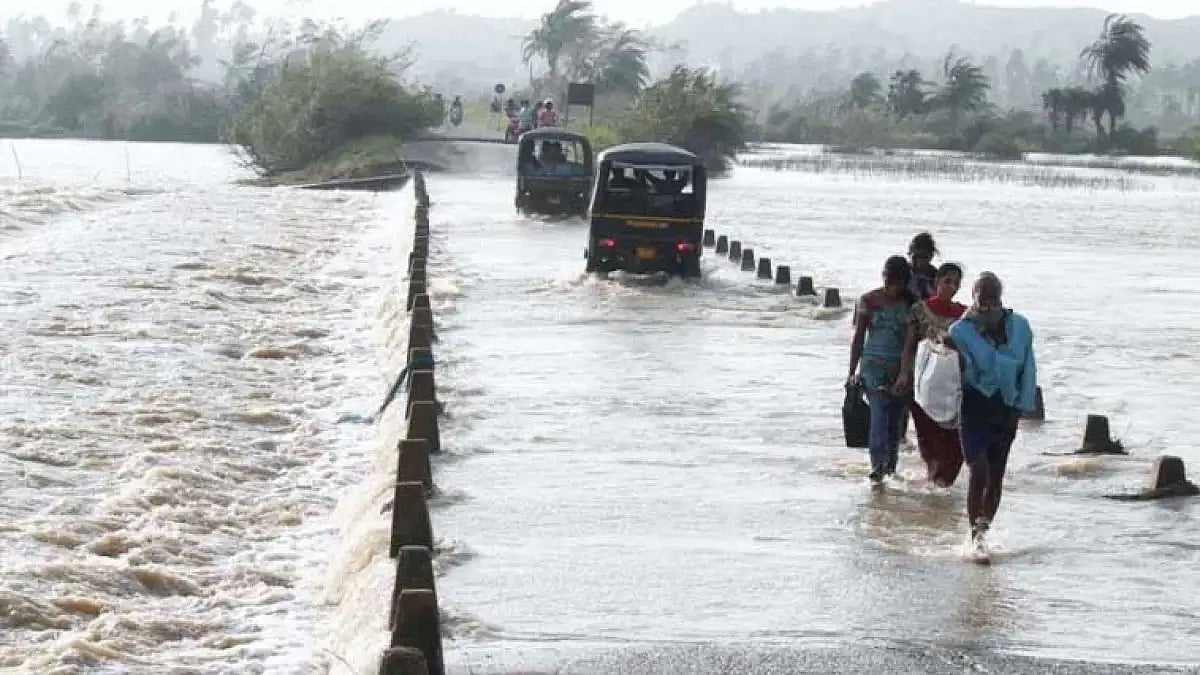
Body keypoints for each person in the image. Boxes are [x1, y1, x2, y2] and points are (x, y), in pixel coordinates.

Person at [948, 272, 1037, 554]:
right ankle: (974, 534)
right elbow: (953, 367)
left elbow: (1028, 369)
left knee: (997, 474)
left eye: (993, 300)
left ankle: (984, 531)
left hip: (1007, 406)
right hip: (974, 404)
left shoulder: (1020, 327)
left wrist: (1021, 407)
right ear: (974, 300)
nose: (988, 307)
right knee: (979, 469)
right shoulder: (961, 331)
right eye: (982, 301)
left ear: (1001, 299)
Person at [895, 262, 967, 487]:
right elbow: (909, 346)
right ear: (937, 282)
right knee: (928, 434)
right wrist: (904, 374)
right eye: (947, 281)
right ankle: (934, 478)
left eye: (956, 283)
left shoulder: (964, 316)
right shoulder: (919, 310)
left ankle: (943, 480)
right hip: (924, 383)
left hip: (954, 386)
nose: (952, 287)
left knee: (955, 438)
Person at [848, 256, 918, 486]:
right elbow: (859, 338)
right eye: (889, 281)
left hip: (899, 368)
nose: (892, 288)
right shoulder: (869, 300)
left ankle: (890, 468)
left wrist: (904, 374)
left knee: (895, 423)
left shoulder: (910, 305)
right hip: (872, 367)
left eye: (897, 283)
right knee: (878, 416)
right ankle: (877, 468)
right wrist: (852, 371)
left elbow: (909, 344)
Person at [908, 232, 939, 301]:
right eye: (916, 257)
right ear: (909, 254)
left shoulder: (936, 276)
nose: (919, 262)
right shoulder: (902, 271)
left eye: (924, 257)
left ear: (931, 256)